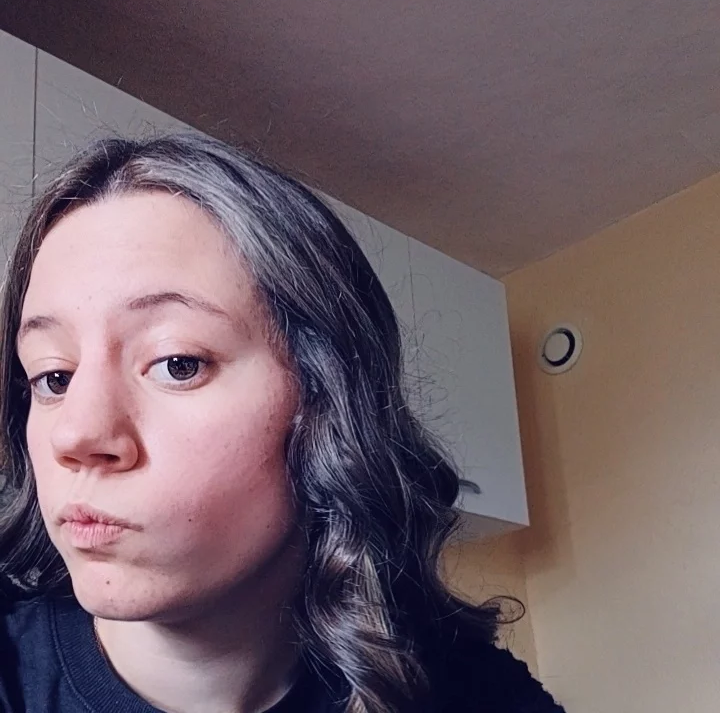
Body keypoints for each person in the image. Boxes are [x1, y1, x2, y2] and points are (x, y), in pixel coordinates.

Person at [0, 133, 564, 713]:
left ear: (327, 398)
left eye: (178, 363)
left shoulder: (478, 694)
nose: (75, 435)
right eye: (54, 377)